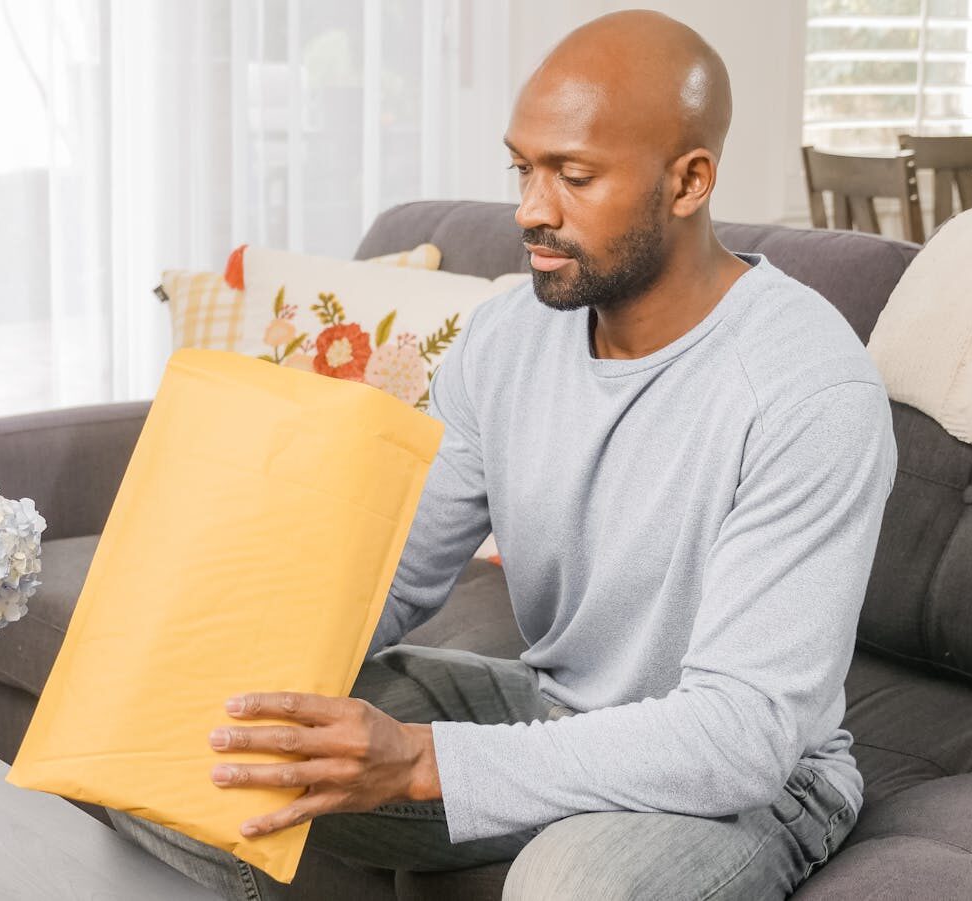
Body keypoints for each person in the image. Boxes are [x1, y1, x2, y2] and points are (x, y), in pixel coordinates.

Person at [107, 9, 897, 899]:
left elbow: (740, 734)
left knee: (571, 889)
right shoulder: (505, 339)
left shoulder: (807, 389)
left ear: (689, 182)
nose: (530, 209)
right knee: (191, 743)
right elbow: (395, 573)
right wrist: (208, 646)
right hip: (552, 709)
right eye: (523, 167)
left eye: (574, 175)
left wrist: (419, 759)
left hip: (757, 779)